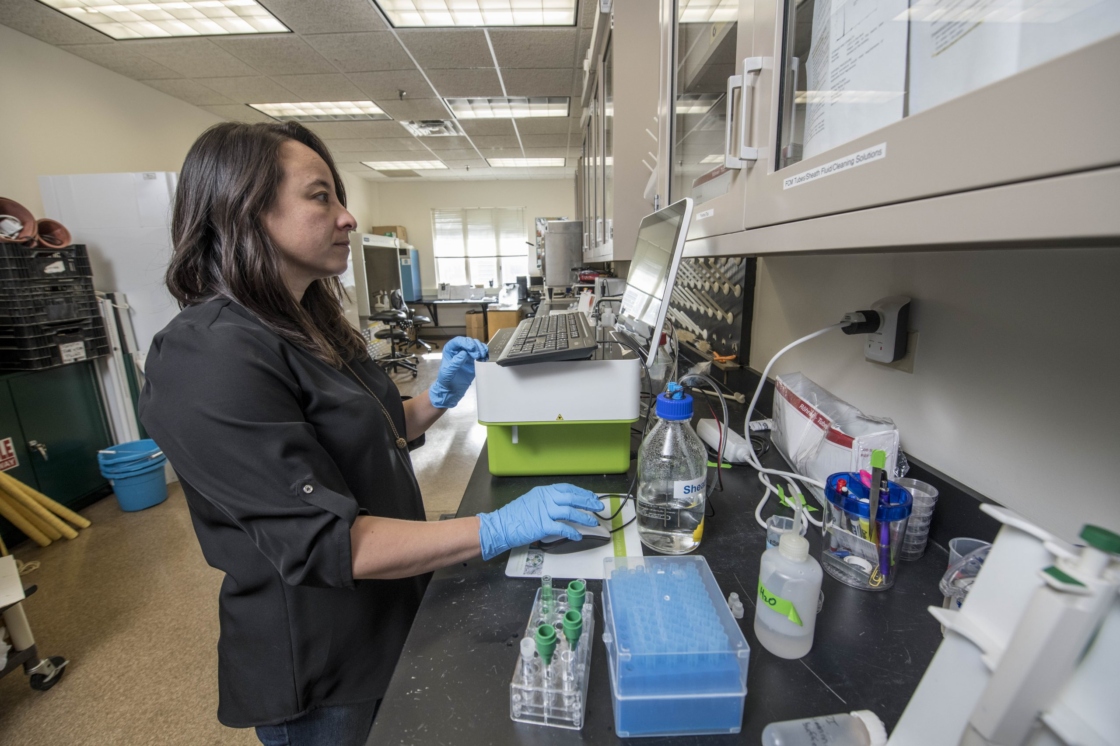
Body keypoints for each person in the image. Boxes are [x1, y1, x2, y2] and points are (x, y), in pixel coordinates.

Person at [138, 121, 604, 746]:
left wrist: (438, 399)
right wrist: (495, 529)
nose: (349, 217)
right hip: (325, 659)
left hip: (387, 613)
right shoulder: (207, 355)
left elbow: (374, 431)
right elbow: (329, 544)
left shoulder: (303, 320)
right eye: (321, 195)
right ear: (248, 210)